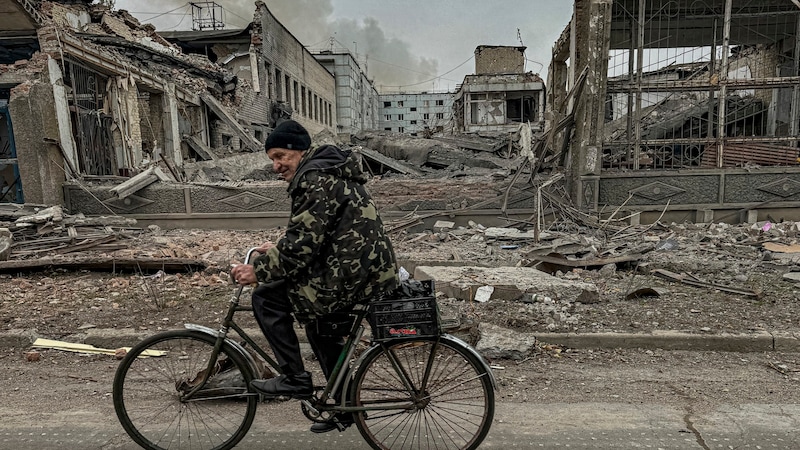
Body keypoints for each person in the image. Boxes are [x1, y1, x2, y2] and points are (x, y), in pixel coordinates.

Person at [230, 120, 399, 433]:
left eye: (281, 156)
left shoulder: (314, 177)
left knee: (267, 298)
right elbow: (314, 233)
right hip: (362, 268)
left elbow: (304, 243)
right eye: (272, 159)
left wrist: (259, 271)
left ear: (299, 151)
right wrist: (277, 248)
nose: (276, 166)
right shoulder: (325, 171)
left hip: (352, 273)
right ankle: (345, 407)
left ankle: (295, 378)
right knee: (319, 325)